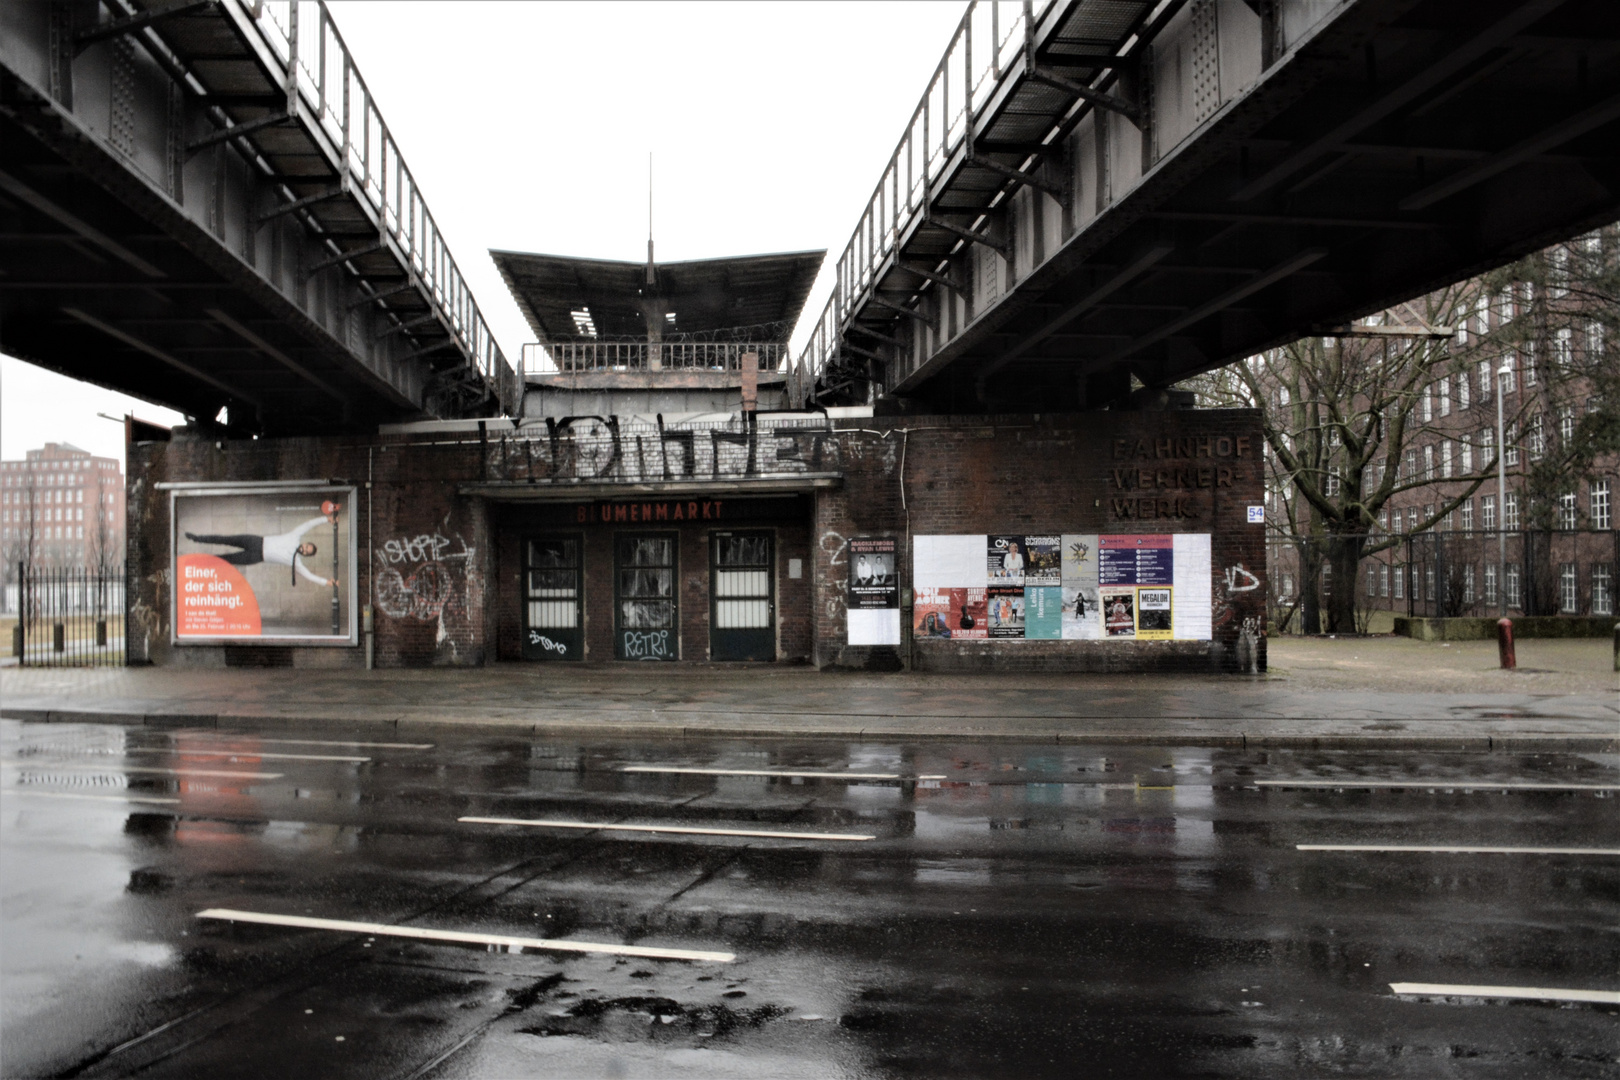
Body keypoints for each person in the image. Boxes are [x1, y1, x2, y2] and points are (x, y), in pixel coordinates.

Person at [186, 507, 339, 587]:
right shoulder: (295, 536)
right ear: (305, 543)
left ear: (305, 555)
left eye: (306, 552)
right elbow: (308, 524)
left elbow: (309, 576)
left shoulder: (296, 562)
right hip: (256, 541)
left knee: (225, 560)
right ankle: (197, 538)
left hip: (256, 557)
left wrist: (326, 582)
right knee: (225, 539)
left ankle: (197, 561)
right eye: (307, 547)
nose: (304, 549)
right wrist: (326, 519)